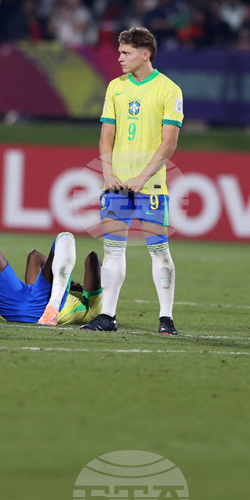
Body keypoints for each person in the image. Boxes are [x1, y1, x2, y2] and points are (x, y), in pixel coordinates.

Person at [82, 27, 184, 334]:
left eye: (126, 53)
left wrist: (142, 177)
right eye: (120, 52)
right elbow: (106, 136)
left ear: (145, 54)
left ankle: (166, 318)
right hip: (115, 186)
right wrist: (108, 172)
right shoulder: (115, 87)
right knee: (113, 250)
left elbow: (169, 143)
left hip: (151, 187)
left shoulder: (169, 90)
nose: (120, 58)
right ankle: (107, 316)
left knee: (158, 250)